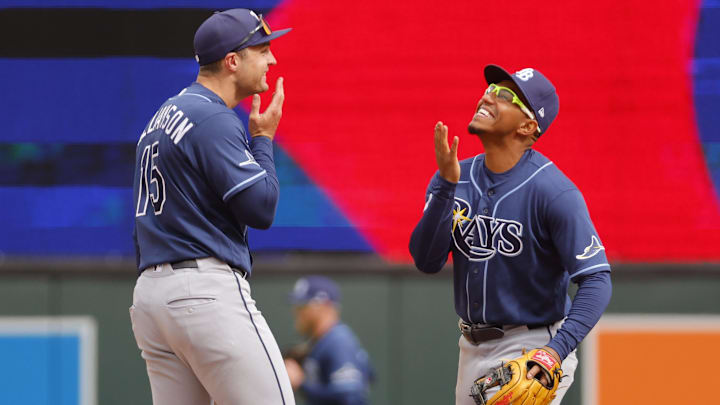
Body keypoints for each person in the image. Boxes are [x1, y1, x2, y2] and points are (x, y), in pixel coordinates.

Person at [408, 65, 612, 404]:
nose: (488, 95)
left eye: (506, 95)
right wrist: (445, 185)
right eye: (491, 88)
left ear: (528, 126)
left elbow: (597, 280)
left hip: (531, 345)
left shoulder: (553, 192)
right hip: (470, 346)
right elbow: (426, 261)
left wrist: (555, 352)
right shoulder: (455, 175)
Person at [129, 8, 294, 405]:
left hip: (151, 299)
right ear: (232, 61)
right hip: (202, 292)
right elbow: (262, 208)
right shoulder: (211, 117)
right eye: (262, 49)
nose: (271, 59)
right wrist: (263, 140)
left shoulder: (161, 116)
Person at [284, 276, 374, 405]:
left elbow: (350, 399)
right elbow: (371, 374)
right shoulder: (322, 341)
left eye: (302, 306)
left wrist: (302, 383)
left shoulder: (338, 341)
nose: (296, 311)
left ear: (322, 306)